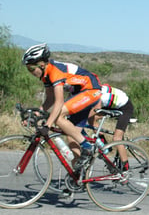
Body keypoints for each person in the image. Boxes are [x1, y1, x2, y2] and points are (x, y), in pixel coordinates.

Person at [22, 43, 102, 172]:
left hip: (91, 90)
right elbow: (50, 100)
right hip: (78, 93)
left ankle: (88, 147)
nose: (30, 72)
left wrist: (47, 125)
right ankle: (77, 177)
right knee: (71, 136)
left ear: (41, 65)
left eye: (31, 69)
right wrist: (35, 115)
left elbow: (58, 102)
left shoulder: (55, 71)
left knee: (58, 117)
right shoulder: (45, 75)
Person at [90, 84, 134, 171]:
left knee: (117, 138)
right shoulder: (90, 91)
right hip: (113, 105)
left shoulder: (95, 94)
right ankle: (104, 143)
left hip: (125, 108)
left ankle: (125, 168)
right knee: (91, 119)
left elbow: (95, 109)